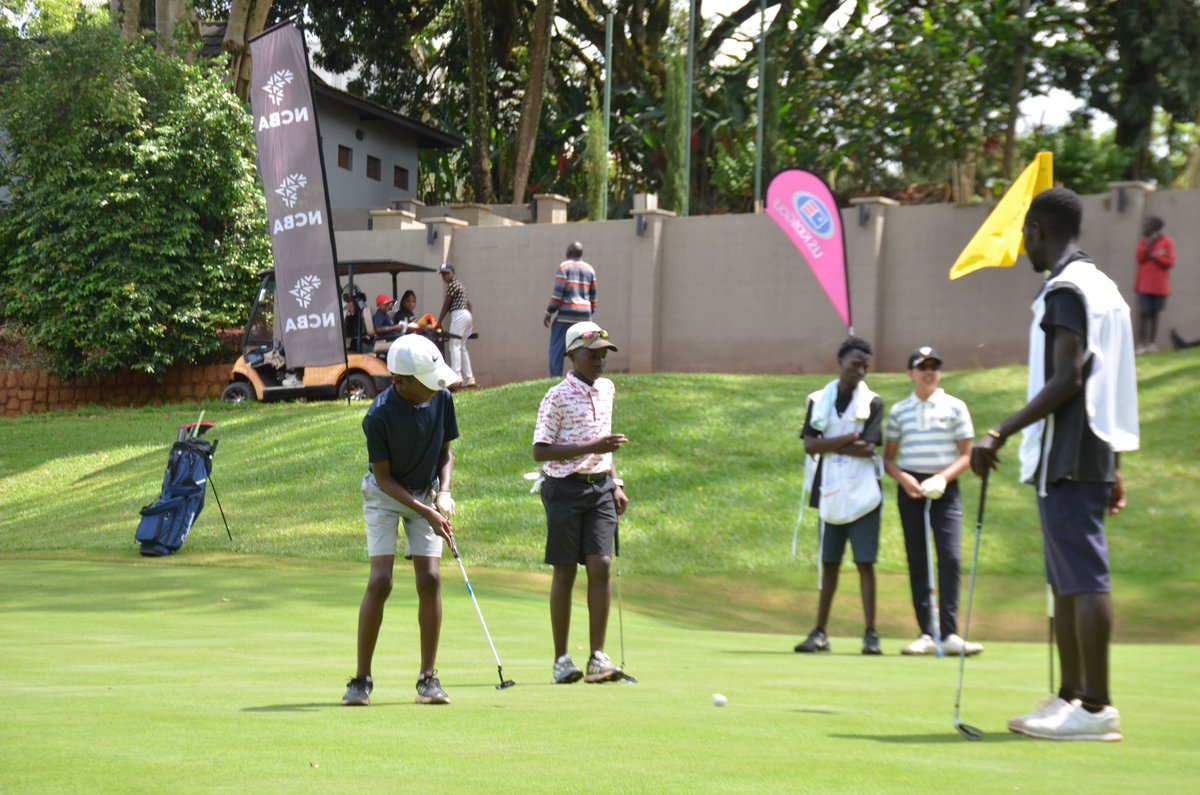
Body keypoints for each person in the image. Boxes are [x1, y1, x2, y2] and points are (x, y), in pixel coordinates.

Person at [971, 188, 1139, 742]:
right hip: (1091, 449)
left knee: (1083, 579)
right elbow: (1106, 380)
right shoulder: (1105, 288)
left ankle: (1096, 707)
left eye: (1025, 234)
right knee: (1066, 580)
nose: (1023, 246)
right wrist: (1114, 464)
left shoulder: (1067, 289)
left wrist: (999, 432)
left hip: (1069, 451)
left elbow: (1068, 379)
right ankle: (1070, 698)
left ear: (1039, 230)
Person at [342, 334, 463, 707]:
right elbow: (383, 479)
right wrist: (427, 512)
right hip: (385, 496)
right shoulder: (378, 416)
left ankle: (428, 678)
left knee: (431, 578)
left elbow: (445, 452)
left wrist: (443, 492)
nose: (435, 387)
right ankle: (361, 679)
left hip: (426, 492)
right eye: (427, 382)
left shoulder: (441, 397)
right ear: (401, 381)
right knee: (381, 580)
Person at [532, 321, 630, 684]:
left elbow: (605, 442)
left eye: (604, 355)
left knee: (601, 564)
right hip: (563, 489)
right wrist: (593, 447)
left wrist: (616, 482)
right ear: (572, 354)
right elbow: (540, 451)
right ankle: (562, 660)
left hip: (601, 487)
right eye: (593, 355)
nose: (600, 362)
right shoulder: (556, 396)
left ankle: (598, 658)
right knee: (565, 570)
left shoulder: (607, 389)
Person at [883, 346, 982, 657]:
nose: (929, 372)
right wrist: (904, 479)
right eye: (922, 367)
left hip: (945, 489)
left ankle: (949, 633)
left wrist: (942, 478)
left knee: (950, 558)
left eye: (934, 367)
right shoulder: (899, 411)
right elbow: (888, 459)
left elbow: (966, 455)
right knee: (918, 559)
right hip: (911, 489)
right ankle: (927, 632)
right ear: (910, 374)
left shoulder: (955, 407)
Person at [794, 336, 886, 656]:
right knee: (829, 562)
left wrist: (829, 443)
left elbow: (868, 448)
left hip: (863, 492)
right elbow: (809, 444)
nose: (860, 370)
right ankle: (820, 632)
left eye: (865, 366)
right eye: (855, 364)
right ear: (840, 362)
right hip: (830, 489)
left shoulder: (873, 402)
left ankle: (871, 634)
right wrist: (848, 437)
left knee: (865, 563)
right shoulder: (818, 399)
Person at [544, 241, 598, 378]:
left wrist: (549, 312)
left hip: (566, 315)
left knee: (557, 348)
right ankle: (587, 376)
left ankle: (555, 377)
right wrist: (588, 314)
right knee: (586, 348)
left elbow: (557, 295)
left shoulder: (564, 267)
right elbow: (593, 298)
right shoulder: (590, 269)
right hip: (585, 316)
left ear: (568, 253)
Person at [1133, 216, 1174, 353]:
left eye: (1148, 225)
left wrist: (1156, 256)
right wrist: (1148, 247)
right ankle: (1141, 344)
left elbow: (1170, 262)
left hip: (1159, 286)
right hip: (1144, 285)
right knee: (1144, 313)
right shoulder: (1144, 242)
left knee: (1154, 314)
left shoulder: (1167, 242)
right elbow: (1139, 258)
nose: (1145, 228)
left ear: (1156, 227)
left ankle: (1151, 343)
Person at [436, 263, 475, 387]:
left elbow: (446, 305)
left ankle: (456, 377)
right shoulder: (461, 285)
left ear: (453, 273)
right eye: (443, 274)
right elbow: (470, 304)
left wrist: (438, 322)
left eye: (447, 273)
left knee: (454, 345)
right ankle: (469, 378)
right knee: (462, 347)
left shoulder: (453, 285)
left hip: (459, 314)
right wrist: (470, 321)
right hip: (466, 315)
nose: (445, 276)